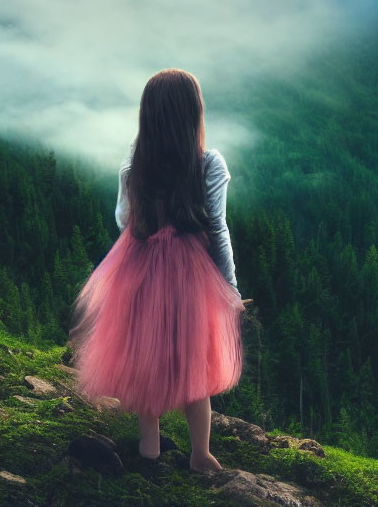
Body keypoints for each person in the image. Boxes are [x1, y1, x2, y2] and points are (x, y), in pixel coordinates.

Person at [68, 68, 246, 473]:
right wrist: (230, 289)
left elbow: (122, 218)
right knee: (195, 362)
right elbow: (218, 228)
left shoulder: (134, 166)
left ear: (148, 117)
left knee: (146, 360)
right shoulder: (209, 164)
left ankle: (150, 448)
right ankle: (200, 454)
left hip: (140, 269)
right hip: (190, 276)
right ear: (193, 115)